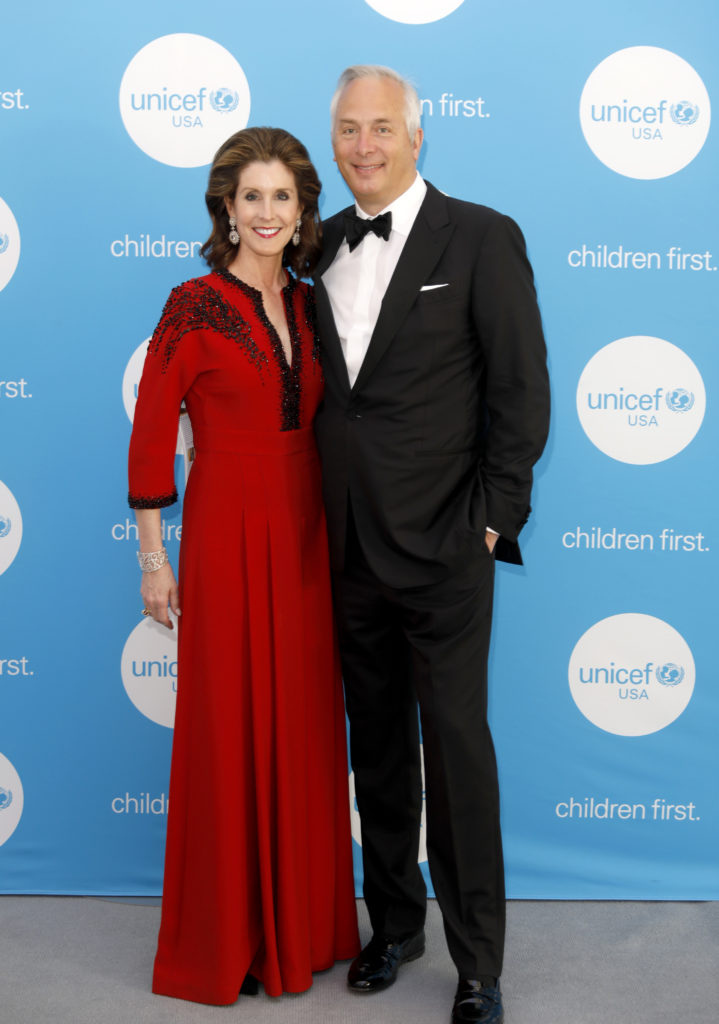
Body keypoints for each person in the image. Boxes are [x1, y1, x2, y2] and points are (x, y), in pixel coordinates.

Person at [313, 66, 550, 1024]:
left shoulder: (484, 236)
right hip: (343, 546)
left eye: (379, 128)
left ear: (418, 136)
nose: (361, 146)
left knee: (455, 756)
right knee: (374, 750)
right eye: (345, 129)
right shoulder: (315, 242)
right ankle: (395, 924)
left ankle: (478, 962)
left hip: (448, 547)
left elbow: (519, 391)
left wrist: (493, 522)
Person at [127, 126, 359, 1005]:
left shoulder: (311, 305)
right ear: (226, 207)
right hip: (226, 529)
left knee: (301, 724)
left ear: (303, 211)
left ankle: (302, 928)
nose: (267, 213)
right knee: (229, 727)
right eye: (251, 196)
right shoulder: (190, 303)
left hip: (308, 533)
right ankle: (230, 935)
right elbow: (152, 436)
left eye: (283, 198)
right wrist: (154, 559)